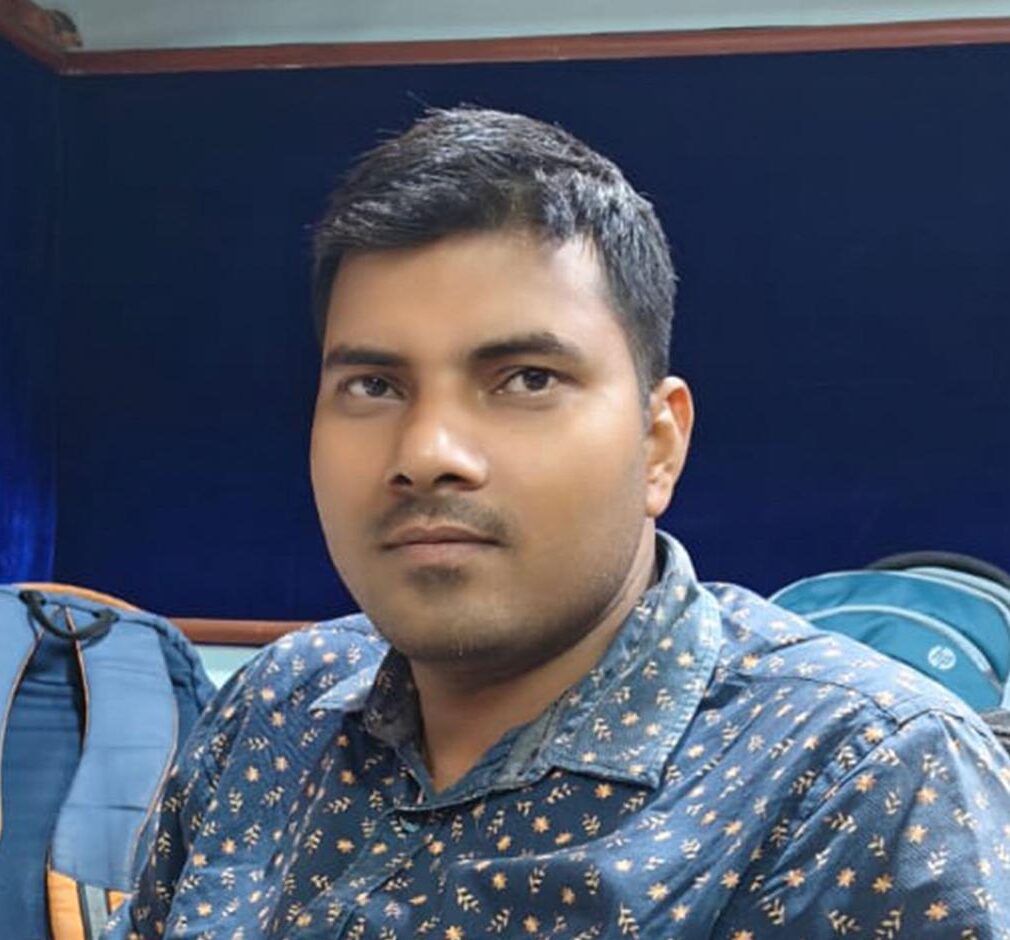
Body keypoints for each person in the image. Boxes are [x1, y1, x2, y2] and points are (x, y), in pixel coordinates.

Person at [106, 107, 1010, 940]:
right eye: (374, 385)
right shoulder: (272, 710)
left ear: (658, 445)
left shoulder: (862, 779)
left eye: (527, 379)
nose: (427, 452)